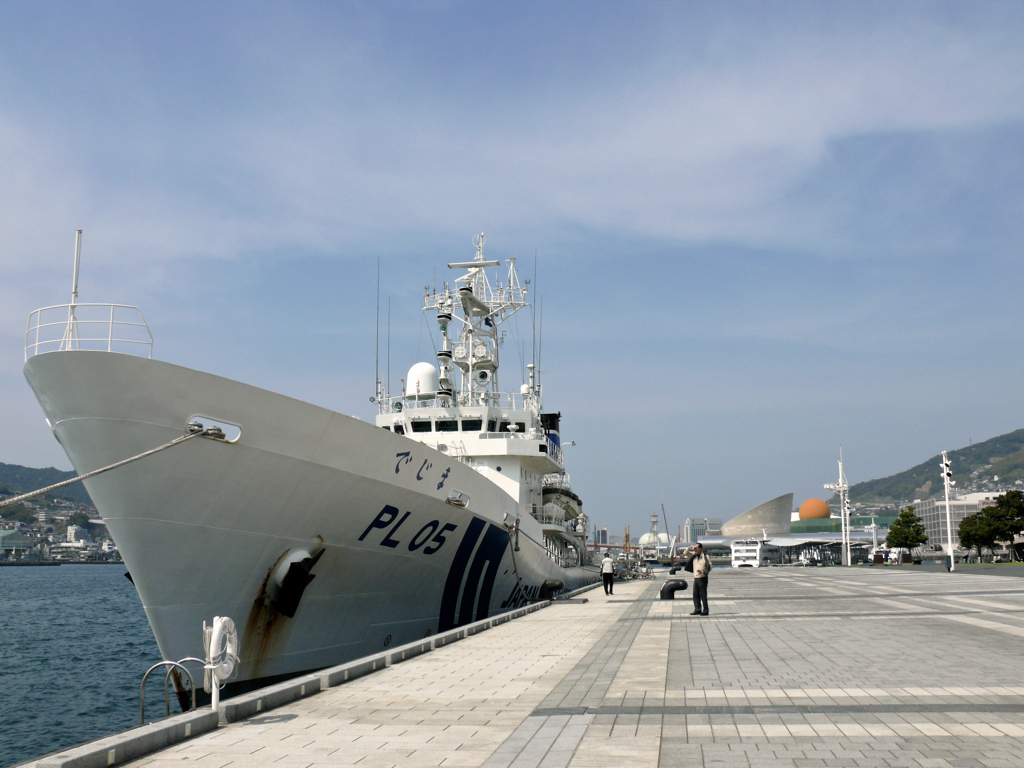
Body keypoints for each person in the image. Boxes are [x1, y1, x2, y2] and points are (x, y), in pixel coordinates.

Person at [689, 542, 712, 616]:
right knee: (695, 594)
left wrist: (702, 571)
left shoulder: (705, 556)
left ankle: (705, 610)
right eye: (694, 548)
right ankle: (697, 609)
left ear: (700, 549)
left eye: (696, 548)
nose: (694, 549)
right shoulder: (694, 556)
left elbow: (709, 567)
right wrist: (689, 548)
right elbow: (685, 553)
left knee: (703, 594)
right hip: (696, 578)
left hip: (703, 578)